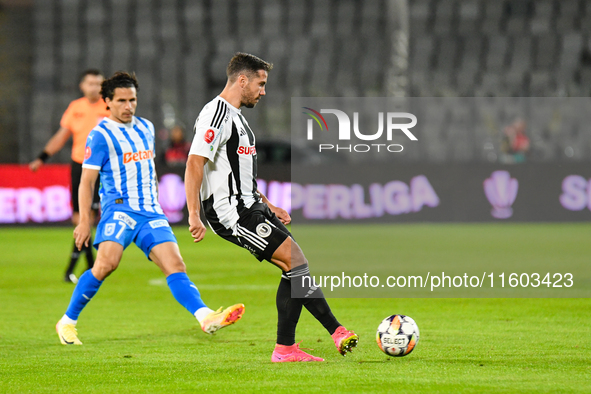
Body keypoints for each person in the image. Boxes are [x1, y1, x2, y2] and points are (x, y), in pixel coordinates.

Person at [185, 53, 358, 362]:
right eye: (260, 84)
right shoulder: (216, 115)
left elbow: (238, 175)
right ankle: (334, 331)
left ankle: (287, 348)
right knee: (295, 260)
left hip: (251, 207)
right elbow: (195, 163)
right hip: (232, 214)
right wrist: (194, 214)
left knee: (295, 267)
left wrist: (268, 204)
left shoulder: (236, 117)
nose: (263, 91)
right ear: (242, 80)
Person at [55, 71, 244, 345]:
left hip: (150, 212)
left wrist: (156, 200)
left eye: (132, 100)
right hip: (119, 210)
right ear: (107, 101)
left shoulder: (146, 127)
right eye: (121, 100)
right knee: (106, 264)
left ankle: (205, 317)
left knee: (175, 264)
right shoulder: (99, 136)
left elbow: (148, 169)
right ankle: (67, 321)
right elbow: (87, 182)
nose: (128, 106)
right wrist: (85, 220)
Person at [30, 69, 109, 283]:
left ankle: (76, 269)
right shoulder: (76, 107)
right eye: (90, 83)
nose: (94, 87)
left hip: (103, 167)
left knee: (89, 218)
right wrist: (42, 157)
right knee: (80, 218)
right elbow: (62, 135)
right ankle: (89, 266)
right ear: (82, 86)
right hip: (79, 165)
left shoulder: (110, 106)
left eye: (98, 83)